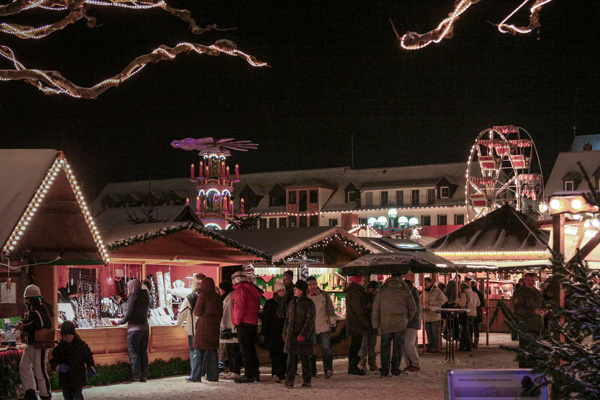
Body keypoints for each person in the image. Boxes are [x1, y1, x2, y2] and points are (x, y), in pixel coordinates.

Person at [371, 273, 416, 378]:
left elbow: (375, 308)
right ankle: (395, 369)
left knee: (385, 346)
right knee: (398, 347)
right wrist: (407, 318)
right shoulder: (405, 290)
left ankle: (384, 369)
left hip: (385, 322)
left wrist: (375, 324)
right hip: (400, 323)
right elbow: (413, 307)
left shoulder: (383, 290)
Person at [17, 284, 54, 400]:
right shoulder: (36, 307)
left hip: (39, 344)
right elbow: (35, 322)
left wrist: (24, 327)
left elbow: (39, 324)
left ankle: (45, 394)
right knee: (24, 367)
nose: (25, 300)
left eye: (26, 298)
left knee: (39, 370)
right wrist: (23, 323)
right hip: (32, 343)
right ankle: (30, 392)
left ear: (31, 297)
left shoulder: (40, 307)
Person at [49, 321, 95, 400]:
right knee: (67, 396)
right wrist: (58, 367)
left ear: (73, 334)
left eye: (69, 334)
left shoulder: (81, 346)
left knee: (77, 395)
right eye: (65, 335)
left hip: (78, 377)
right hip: (65, 379)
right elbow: (53, 361)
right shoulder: (59, 349)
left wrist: (91, 366)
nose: (67, 337)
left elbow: (88, 357)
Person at [283, 280, 316, 388]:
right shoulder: (292, 302)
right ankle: (289, 380)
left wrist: (304, 334)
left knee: (305, 359)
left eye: (296, 289)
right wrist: (285, 333)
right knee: (291, 359)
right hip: (292, 335)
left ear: (301, 291)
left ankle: (307, 380)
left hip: (302, 336)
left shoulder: (309, 304)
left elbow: (309, 321)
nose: (294, 290)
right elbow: (287, 320)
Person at [231, 270, 262, 383]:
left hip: (244, 323)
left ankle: (248, 375)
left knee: (245, 350)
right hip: (252, 322)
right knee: (251, 349)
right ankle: (255, 374)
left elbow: (238, 308)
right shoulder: (252, 289)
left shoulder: (240, 290)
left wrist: (236, 322)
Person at [191, 277, 223, 383]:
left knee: (199, 351)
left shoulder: (202, 296)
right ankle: (213, 375)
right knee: (213, 352)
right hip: (214, 327)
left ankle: (195, 376)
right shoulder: (217, 297)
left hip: (203, 328)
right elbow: (221, 312)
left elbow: (197, 312)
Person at [118, 279, 150, 382]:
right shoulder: (145, 295)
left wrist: (121, 321)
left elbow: (130, 312)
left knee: (134, 352)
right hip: (144, 327)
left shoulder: (134, 295)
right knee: (143, 352)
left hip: (134, 329)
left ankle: (136, 375)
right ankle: (144, 375)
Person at [512, 272, 546, 367]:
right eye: (528, 280)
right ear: (524, 280)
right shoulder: (519, 292)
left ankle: (534, 371)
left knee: (536, 352)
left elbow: (542, 303)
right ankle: (523, 373)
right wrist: (533, 312)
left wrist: (544, 309)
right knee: (525, 352)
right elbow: (518, 309)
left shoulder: (536, 292)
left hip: (537, 326)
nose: (531, 282)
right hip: (526, 326)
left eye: (532, 280)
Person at [306, 275, 337, 379]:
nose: (313, 287)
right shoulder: (305, 297)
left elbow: (330, 309)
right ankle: (312, 371)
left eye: (314, 284)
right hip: (310, 328)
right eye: (310, 285)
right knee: (311, 351)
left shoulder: (324, 295)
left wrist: (332, 323)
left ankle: (328, 369)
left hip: (323, 326)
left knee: (326, 349)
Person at [261, 282, 287, 382]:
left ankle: (283, 374)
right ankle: (275, 373)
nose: (281, 292)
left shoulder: (288, 302)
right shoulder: (270, 303)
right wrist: (264, 332)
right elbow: (266, 319)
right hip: (273, 332)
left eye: (283, 290)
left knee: (284, 354)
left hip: (284, 332)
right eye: (279, 291)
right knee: (275, 354)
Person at [344, 274, 370, 375]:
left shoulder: (353, 291)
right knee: (355, 345)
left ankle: (353, 366)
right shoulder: (355, 292)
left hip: (354, 322)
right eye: (362, 279)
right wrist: (364, 323)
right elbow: (358, 309)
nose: (363, 281)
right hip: (356, 323)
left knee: (355, 345)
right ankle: (353, 367)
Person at [176, 280, 200, 381]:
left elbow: (183, 312)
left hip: (193, 329)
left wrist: (178, 324)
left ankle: (194, 373)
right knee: (203, 351)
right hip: (203, 328)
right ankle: (202, 371)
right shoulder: (206, 296)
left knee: (193, 351)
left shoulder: (190, 298)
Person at [219, 281, 242, 380]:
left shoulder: (230, 297)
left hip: (231, 326)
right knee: (230, 349)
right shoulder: (227, 297)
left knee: (234, 350)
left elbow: (229, 311)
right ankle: (232, 370)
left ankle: (235, 370)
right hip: (228, 326)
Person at [422, 277, 446, 353]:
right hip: (427, 315)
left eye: (425, 283)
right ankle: (430, 346)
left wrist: (431, 303)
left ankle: (435, 347)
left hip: (435, 315)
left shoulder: (437, 291)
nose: (424, 285)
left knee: (434, 332)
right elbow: (420, 300)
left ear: (430, 283)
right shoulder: (424, 292)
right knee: (428, 332)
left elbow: (442, 301)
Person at [359, 281, 379, 372]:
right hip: (366, 324)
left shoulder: (377, 298)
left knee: (372, 345)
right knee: (364, 345)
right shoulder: (364, 298)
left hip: (373, 324)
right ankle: (362, 363)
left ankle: (372, 363)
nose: (374, 290)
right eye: (373, 288)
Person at [456, 282, 480, 352]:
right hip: (473, 313)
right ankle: (467, 346)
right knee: (469, 330)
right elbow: (478, 303)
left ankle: (466, 346)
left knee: (464, 331)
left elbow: (462, 303)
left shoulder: (464, 294)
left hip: (466, 313)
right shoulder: (475, 294)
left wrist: (457, 301)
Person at [403, 279, 421, 372]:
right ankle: (410, 363)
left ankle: (415, 363)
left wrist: (408, 318)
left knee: (408, 344)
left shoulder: (413, 295)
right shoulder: (411, 294)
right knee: (407, 344)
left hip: (411, 323)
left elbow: (415, 310)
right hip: (408, 322)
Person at [470, 280, 485, 348]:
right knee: (476, 327)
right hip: (477, 311)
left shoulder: (468, 293)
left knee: (469, 327)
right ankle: (476, 342)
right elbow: (482, 303)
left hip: (470, 311)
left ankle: (469, 341)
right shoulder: (479, 293)